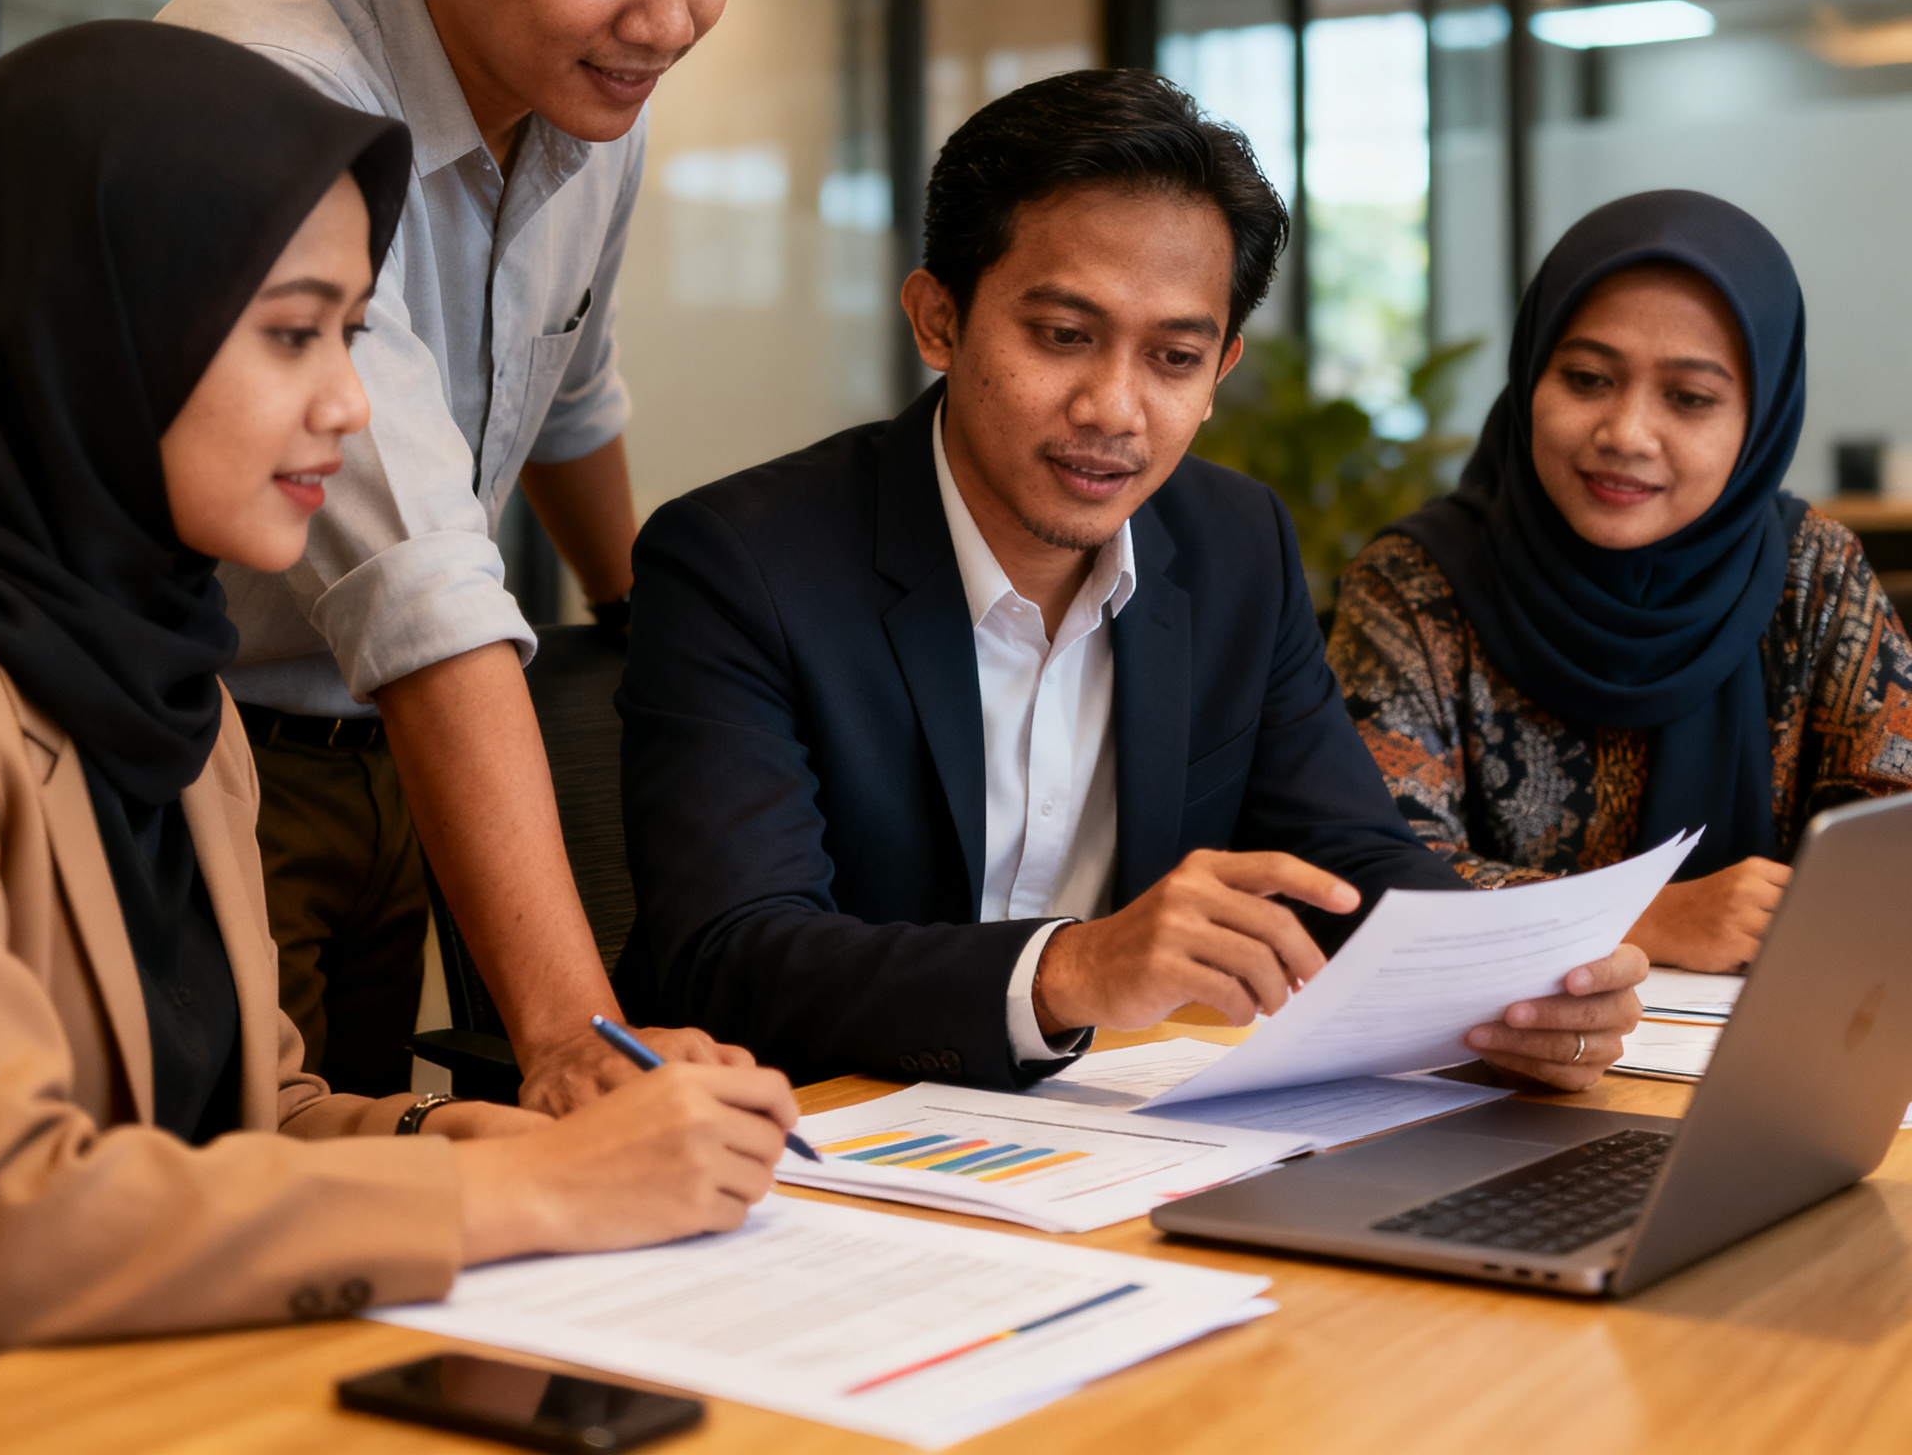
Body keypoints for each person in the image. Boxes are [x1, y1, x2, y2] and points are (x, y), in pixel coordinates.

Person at [0, 24, 797, 1367]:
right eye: (292, 334)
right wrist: (529, 1193)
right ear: (81, 324)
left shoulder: (170, 674)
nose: (350, 406)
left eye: (350, 334)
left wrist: (471, 1133)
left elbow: (250, 1120)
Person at [615, 70, 1643, 1090]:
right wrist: (1073, 969)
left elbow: (1346, 860)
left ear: (1219, 369)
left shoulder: (1233, 542)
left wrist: (1516, 980)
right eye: (1062, 336)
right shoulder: (738, 561)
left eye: (1172, 357)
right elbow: (733, 956)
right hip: (819, 1134)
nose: (1114, 408)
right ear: (937, 319)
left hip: (1117, 1131)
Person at [159, 0, 803, 1107]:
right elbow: (422, 581)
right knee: (252, 1203)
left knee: (384, 1230)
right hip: (203, 751)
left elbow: (572, 392)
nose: (667, 20)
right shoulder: (275, 96)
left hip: (394, 755)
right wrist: (582, 1039)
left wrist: (645, 627)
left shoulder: (581, 86)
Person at [1328, 189, 1912, 974]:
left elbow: (1890, 847)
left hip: (1758, 1061)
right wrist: (1647, 917)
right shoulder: (1416, 586)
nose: (1626, 434)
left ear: (1761, 419)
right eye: (1587, 379)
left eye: (1690, 398)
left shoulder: (1813, 577)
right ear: (1532, 373)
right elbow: (1369, 879)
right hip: (1476, 1063)